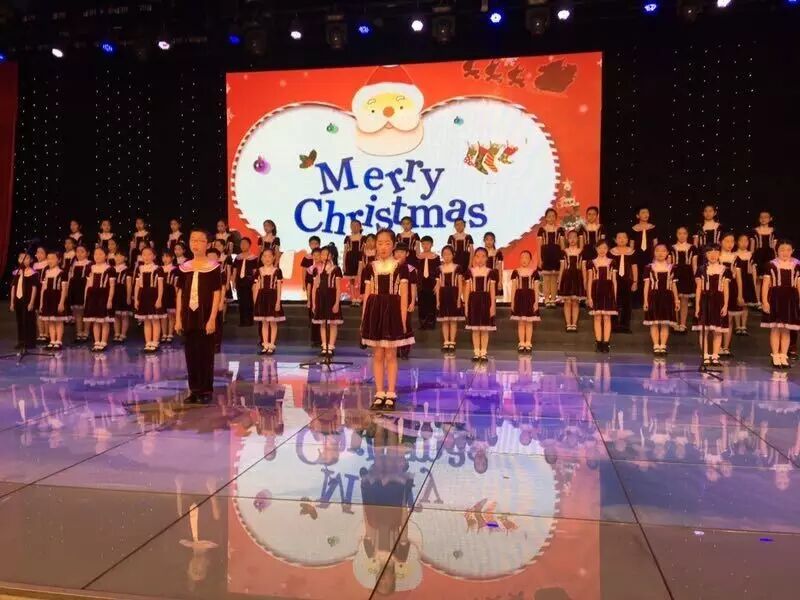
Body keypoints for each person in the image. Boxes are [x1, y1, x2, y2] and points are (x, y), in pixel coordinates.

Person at [361, 229, 413, 410]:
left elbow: (404, 296)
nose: (383, 247)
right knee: (377, 354)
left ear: (393, 245)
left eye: (387, 243)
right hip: (375, 310)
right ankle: (379, 392)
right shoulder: (370, 267)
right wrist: (364, 318)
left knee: (391, 354)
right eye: (380, 243)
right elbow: (367, 294)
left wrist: (403, 320)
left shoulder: (401, 267)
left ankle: (391, 392)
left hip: (392, 311)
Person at [175, 229, 223, 402]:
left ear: (207, 244)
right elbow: (180, 293)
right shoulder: (184, 267)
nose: (195, 243)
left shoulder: (213, 267)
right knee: (191, 354)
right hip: (189, 316)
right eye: (193, 240)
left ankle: (205, 391)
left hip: (206, 315)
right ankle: (194, 390)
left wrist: (212, 319)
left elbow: (216, 293)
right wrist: (178, 318)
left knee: (205, 354)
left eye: (200, 240)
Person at [761, 240, 800, 369]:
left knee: (786, 329)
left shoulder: (796, 265)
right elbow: (765, 284)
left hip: (791, 299)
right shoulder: (771, 265)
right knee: (775, 328)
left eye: (788, 250)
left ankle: (783, 355)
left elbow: (798, 284)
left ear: (792, 251)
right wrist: (765, 301)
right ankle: (775, 355)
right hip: (775, 298)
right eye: (782, 249)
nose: (785, 252)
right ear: (777, 250)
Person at [694, 244, 730, 368]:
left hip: (718, 301)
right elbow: (698, 289)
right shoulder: (701, 269)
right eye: (709, 252)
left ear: (719, 254)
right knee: (704, 330)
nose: (713, 255)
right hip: (705, 300)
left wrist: (725, 305)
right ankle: (705, 355)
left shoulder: (724, 269)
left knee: (717, 330)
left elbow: (726, 289)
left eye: (715, 252)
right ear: (706, 255)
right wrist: (697, 306)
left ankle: (715, 356)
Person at [642, 243, 680, 355]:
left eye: (663, 251)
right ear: (654, 252)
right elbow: (646, 285)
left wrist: (676, 299)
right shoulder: (649, 267)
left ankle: (663, 346)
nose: (660, 253)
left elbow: (673, 285)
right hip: (653, 296)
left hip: (667, 297)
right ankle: (656, 346)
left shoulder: (672, 268)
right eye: (658, 250)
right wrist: (645, 300)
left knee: (665, 323)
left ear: (667, 253)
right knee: (654, 323)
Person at [464, 247, 498, 361]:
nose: (480, 259)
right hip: (473, 301)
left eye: (483, 256)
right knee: (475, 329)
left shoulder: (491, 272)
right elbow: (467, 289)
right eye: (477, 256)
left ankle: (483, 352)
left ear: (487, 258)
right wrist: (466, 305)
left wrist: (492, 306)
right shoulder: (470, 272)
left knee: (484, 329)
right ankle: (476, 352)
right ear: (474, 258)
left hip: (486, 300)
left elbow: (492, 290)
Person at [82, 247, 116, 352]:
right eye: (96, 254)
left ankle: (103, 342)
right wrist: (86, 298)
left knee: (104, 321)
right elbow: (88, 284)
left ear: (106, 256)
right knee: (95, 320)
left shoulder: (110, 269)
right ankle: (96, 342)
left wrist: (110, 299)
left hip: (104, 295)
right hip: (92, 296)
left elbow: (112, 286)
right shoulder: (90, 268)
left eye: (100, 254)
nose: (97, 256)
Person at [311, 246, 343, 356]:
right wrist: (314, 303)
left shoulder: (336, 269)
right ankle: (324, 346)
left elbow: (338, 288)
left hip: (332, 297)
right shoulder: (317, 269)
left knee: (333, 323)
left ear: (332, 256)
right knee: (323, 323)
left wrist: (337, 303)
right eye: (322, 254)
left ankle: (331, 346)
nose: (324, 256)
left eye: (326, 254)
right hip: (321, 298)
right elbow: (315, 287)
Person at [253, 248, 285, 355]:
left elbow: (279, 287)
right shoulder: (259, 271)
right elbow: (257, 286)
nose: (267, 258)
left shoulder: (277, 271)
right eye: (265, 256)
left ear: (273, 257)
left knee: (273, 322)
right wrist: (255, 300)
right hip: (262, 297)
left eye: (269, 256)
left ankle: (272, 345)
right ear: (261, 258)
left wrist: (278, 301)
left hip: (272, 297)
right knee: (264, 322)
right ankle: (265, 345)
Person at [587, 240, 617, 352]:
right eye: (600, 248)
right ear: (596, 249)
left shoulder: (612, 262)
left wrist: (614, 295)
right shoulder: (592, 262)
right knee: (597, 317)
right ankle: (599, 342)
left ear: (608, 249)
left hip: (608, 290)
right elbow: (590, 281)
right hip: (596, 290)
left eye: (604, 248)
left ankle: (606, 343)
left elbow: (614, 280)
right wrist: (589, 297)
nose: (602, 250)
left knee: (607, 317)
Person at [134, 246, 165, 353]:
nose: (146, 257)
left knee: (155, 320)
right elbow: (137, 285)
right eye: (144, 254)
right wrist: (136, 299)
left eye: (149, 254)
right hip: (143, 296)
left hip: (154, 295)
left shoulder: (158, 268)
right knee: (146, 320)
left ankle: (155, 342)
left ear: (154, 256)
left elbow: (160, 285)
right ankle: (148, 342)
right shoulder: (140, 268)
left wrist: (159, 299)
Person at [509, 250, 541, 353]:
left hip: (530, 298)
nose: (524, 260)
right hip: (519, 298)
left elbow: (536, 288)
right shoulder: (516, 272)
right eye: (522, 257)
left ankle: (528, 342)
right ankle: (521, 342)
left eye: (526, 258)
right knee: (521, 322)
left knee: (529, 322)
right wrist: (512, 302)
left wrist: (536, 302)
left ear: (530, 260)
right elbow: (513, 288)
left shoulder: (534, 273)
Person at [38, 251, 69, 350]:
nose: (50, 260)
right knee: (50, 321)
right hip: (47, 298)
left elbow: (64, 289)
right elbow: (43, 289)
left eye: (52, 258)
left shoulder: (62, 273)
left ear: (59, 260)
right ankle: (52, 340)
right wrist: (41, 303)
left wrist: (61, 302)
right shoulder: (46, 272)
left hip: (57, 298)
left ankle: (58, 341)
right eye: (48, 258)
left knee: (58, 321)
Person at [669, 226, 697, 333]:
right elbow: (669, 264)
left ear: (687, 235)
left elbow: (694, 264)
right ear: (676, 234)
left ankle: (683, 324)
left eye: (684, 233)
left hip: (687, 275)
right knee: (675, 299)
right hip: (675, 274)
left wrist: (695, 277)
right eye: (679, 233)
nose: (682, 235)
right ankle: (675, 323)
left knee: (684, 301)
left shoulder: (692, 248)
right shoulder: (672, 247)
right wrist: (669, 276)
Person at [719, 233, 743, 357]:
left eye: (732, 241)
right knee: (718, 318)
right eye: (727, 241)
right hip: (718, 289)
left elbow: (739, 278)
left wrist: (740, 294)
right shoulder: (716, 256)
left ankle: (726, 347)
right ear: (721, 242)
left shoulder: (735, 258)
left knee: (729, 319)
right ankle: (717, 347)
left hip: (732, 289)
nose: (729, 244)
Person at [9, 252, 39, 350]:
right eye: (21, 258)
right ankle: (21, 341)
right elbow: (13, 287)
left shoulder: (33, 273)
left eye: (26, 258)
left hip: (28, 299)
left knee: (29, 321)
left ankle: (30, 342)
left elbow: (34, 288)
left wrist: (31, 302)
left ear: (30, 260)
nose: (23, 260)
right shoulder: (16, 273)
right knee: (20, 321)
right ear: (18, 260)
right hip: (18, 299)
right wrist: (12, 302)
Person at [557, 230, 585, 332]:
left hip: (577, 277)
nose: (572, 239)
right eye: (570, 237)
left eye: (574, 237)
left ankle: (574, 324)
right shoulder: (564, 252)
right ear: (567, 239)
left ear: (578, 239)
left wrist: (585, 281)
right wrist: (559, 281)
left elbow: (583, 268)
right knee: (568, 301)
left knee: (575, 301)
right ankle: (568, 324)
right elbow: (562, 267)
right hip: (567, 277)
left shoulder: (581, 252)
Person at [610, 231, 637, 333]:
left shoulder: (632, 252)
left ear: (627, 240)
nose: (621, 239)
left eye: (624, 237)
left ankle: (625, 326)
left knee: (627, 304)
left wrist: (635, 281)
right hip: (614, 280)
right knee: (614, 302)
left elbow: (634, 267)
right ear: (615, 240)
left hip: (627, 280)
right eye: (619, 237)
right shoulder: (611, 252)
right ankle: (614, 325)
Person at [537, 208, 565, 308]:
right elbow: (539, 246)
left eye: (553, 216)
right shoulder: (542, 230)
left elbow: (562, 246)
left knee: (554, 279)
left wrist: (563, 259)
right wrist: (539, 259)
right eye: (549, 216)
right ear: (546, 218)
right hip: (545, 255)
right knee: (546, 279)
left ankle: (553, 299)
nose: (551, 218)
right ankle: (546, 300)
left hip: (556, 256)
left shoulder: (560, 230)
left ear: (556, 217)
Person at [393, 243, 416, 360]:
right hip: (393, 300)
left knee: (406, 323)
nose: (399, 254)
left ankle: (405, 350)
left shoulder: (410, 269)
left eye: (402, 252)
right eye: (397, 252)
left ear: (407, 254)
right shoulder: (391, 267)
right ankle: (395, 349)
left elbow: (413, 286)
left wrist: (412, 302)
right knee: (394, 323)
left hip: (406, 300)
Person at [630, 206, 657, 304]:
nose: (646, 214)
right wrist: (631, 257)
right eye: (643, 213)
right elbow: (631, 244)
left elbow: (655, 243)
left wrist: (655, 257)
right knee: (637, 276)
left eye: (647, 212)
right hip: (637, 256)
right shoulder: (634, 229)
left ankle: (649, 300)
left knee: (649, 276)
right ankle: (637, 301)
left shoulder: (653, 228)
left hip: (649, 256)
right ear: (638, 216)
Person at [735, 233, 759, 334]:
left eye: (746, 241)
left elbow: (753, 270)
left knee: (745, 305)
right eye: (742, 241)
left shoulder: (751, 254)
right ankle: (737, 326)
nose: (744, 243)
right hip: (737, 281)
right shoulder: (734, 254)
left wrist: (754, 282)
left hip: (748, 281)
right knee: (737, 305)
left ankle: (743, 326)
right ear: (737, 242)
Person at [232, 237, 259, 327]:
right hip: (239, 282)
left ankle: (250, 320)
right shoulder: (237, 258)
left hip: (249, 282)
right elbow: (235, 270)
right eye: (241, 244)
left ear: (249, 245)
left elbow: (255, 272)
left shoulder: (253, 258)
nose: (243, 245)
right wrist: (233, 281)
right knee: (241, 301)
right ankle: (242, 321)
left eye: (245, 243)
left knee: (249, 301)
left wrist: (255, 283)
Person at [68, 244, 91, 344]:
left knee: (86, 312)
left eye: (82, 252)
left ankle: (86, 333)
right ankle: (79, 333)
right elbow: (70, 277)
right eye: (77, 252)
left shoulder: (90, 264)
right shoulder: (74, 264)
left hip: (85, 289)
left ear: (87, 253)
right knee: (78, 312)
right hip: (75, 289)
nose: (79, 254)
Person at [578, 206, 604, 290]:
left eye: (594, 214)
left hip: (597, 253)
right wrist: (581, 256)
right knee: (586, 275)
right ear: (586, 216)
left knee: (596, 274)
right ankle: (586, 294)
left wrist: (602, 255)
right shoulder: (582, 228)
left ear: (597, 216)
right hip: (586, 252)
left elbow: (602, 243)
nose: (591, 216)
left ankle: (596, 293)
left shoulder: (601, 227)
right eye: (589, 214)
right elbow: (581, 243)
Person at [416, 236, 439, 330]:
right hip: (421, 283)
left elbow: (438, 272)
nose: (425, 246)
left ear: (432, 245)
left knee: (432, 303)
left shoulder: (436, 257)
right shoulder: (418, 257)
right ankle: (422, 323)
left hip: (432, 283)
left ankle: (431, 323)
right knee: (422, 304)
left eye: (427, 244)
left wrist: (437, 284)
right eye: (423, 244)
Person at [112, 251, 133, 343]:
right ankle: (116, 333)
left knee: (124, 315)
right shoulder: (112, 269)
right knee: (116, 315)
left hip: (123, 293)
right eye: (116, 256)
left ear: (125, 258)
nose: (118, 258)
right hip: (114, 293)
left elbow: (129, 284)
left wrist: (128, 296)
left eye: (121, 256)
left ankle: (123, 334)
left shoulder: (127, 270)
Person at [343, 220, 365, 306]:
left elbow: (365, 251)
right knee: (351, 280)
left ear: (360, 227)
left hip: (360, 260)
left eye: (356, 225)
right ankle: (353, 298)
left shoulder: (364, 238)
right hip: (349, 260)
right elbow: (345, 252)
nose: (354, 227)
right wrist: (344, 264)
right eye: (352, 225)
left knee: (360, 280)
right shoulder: (347, 238)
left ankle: (360, 298)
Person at [304, 246, 323, 347]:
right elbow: (309, 284)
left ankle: (324, 340)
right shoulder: (310, 269)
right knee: (314, 317)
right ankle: (316, 340)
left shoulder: (326, 268)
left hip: (324, 294)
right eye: (314, 255)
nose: (316, 257)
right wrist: (308, 299)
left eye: (318, 255)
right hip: (313, 295)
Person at [751, 210, 777, 278]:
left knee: (769, 276)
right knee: (758, 277)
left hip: (770, 255)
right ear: (759, 219)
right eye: (761, 217)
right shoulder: (754, 231)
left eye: (766, 217)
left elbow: (775, 246)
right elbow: (752, 246)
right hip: (758, 256)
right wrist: (751, 258)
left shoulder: (773, 231)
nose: (763, 219)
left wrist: (776, 258)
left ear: (770, 218)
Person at [161, 250, 178, 344]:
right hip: (162, 293)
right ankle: (164, 334)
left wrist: (176, 295)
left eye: (167, 257)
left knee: (171, 315)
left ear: (172, 258)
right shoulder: (160, 269)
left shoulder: (175, 269)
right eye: (163, 257)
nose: (165, 259)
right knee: (163, 315)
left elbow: (176, 284)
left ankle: (170, 333)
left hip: (171, 293)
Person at [32, 246, 48, 343]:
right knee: (37, 312)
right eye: (38, 252)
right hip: (36, 290)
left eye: (42, 252)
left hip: (44, 290)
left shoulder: (47, 264)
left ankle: (47, 334)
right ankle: (41, 333)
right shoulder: (34, 265)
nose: (39, 254)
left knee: (44, 313)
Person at [484, 231, 504, 299]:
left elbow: (500, 268)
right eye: (487, 239)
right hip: (484, 276)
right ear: (484, 240)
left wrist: (500, 281)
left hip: (494, 276)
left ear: (494, 241)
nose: (489, 241)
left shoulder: (497, 252)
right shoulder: (481, 252)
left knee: (493, 298)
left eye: (491, 239)